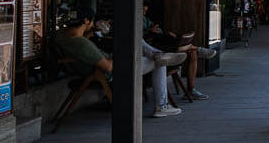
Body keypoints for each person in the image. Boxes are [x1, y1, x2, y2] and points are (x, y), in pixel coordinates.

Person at [52, 10, 183, 116]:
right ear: (86, 20)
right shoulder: (81, 44)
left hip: (92, 66)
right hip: (110, 71)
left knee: (140, 44)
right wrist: (121, 51)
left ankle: (157, 54)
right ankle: (162, 105)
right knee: (159, 62)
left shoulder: (62, 36)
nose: (94, 23)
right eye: (92, 21)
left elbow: (81, 52)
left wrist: (91, 31)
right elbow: (109, 67)